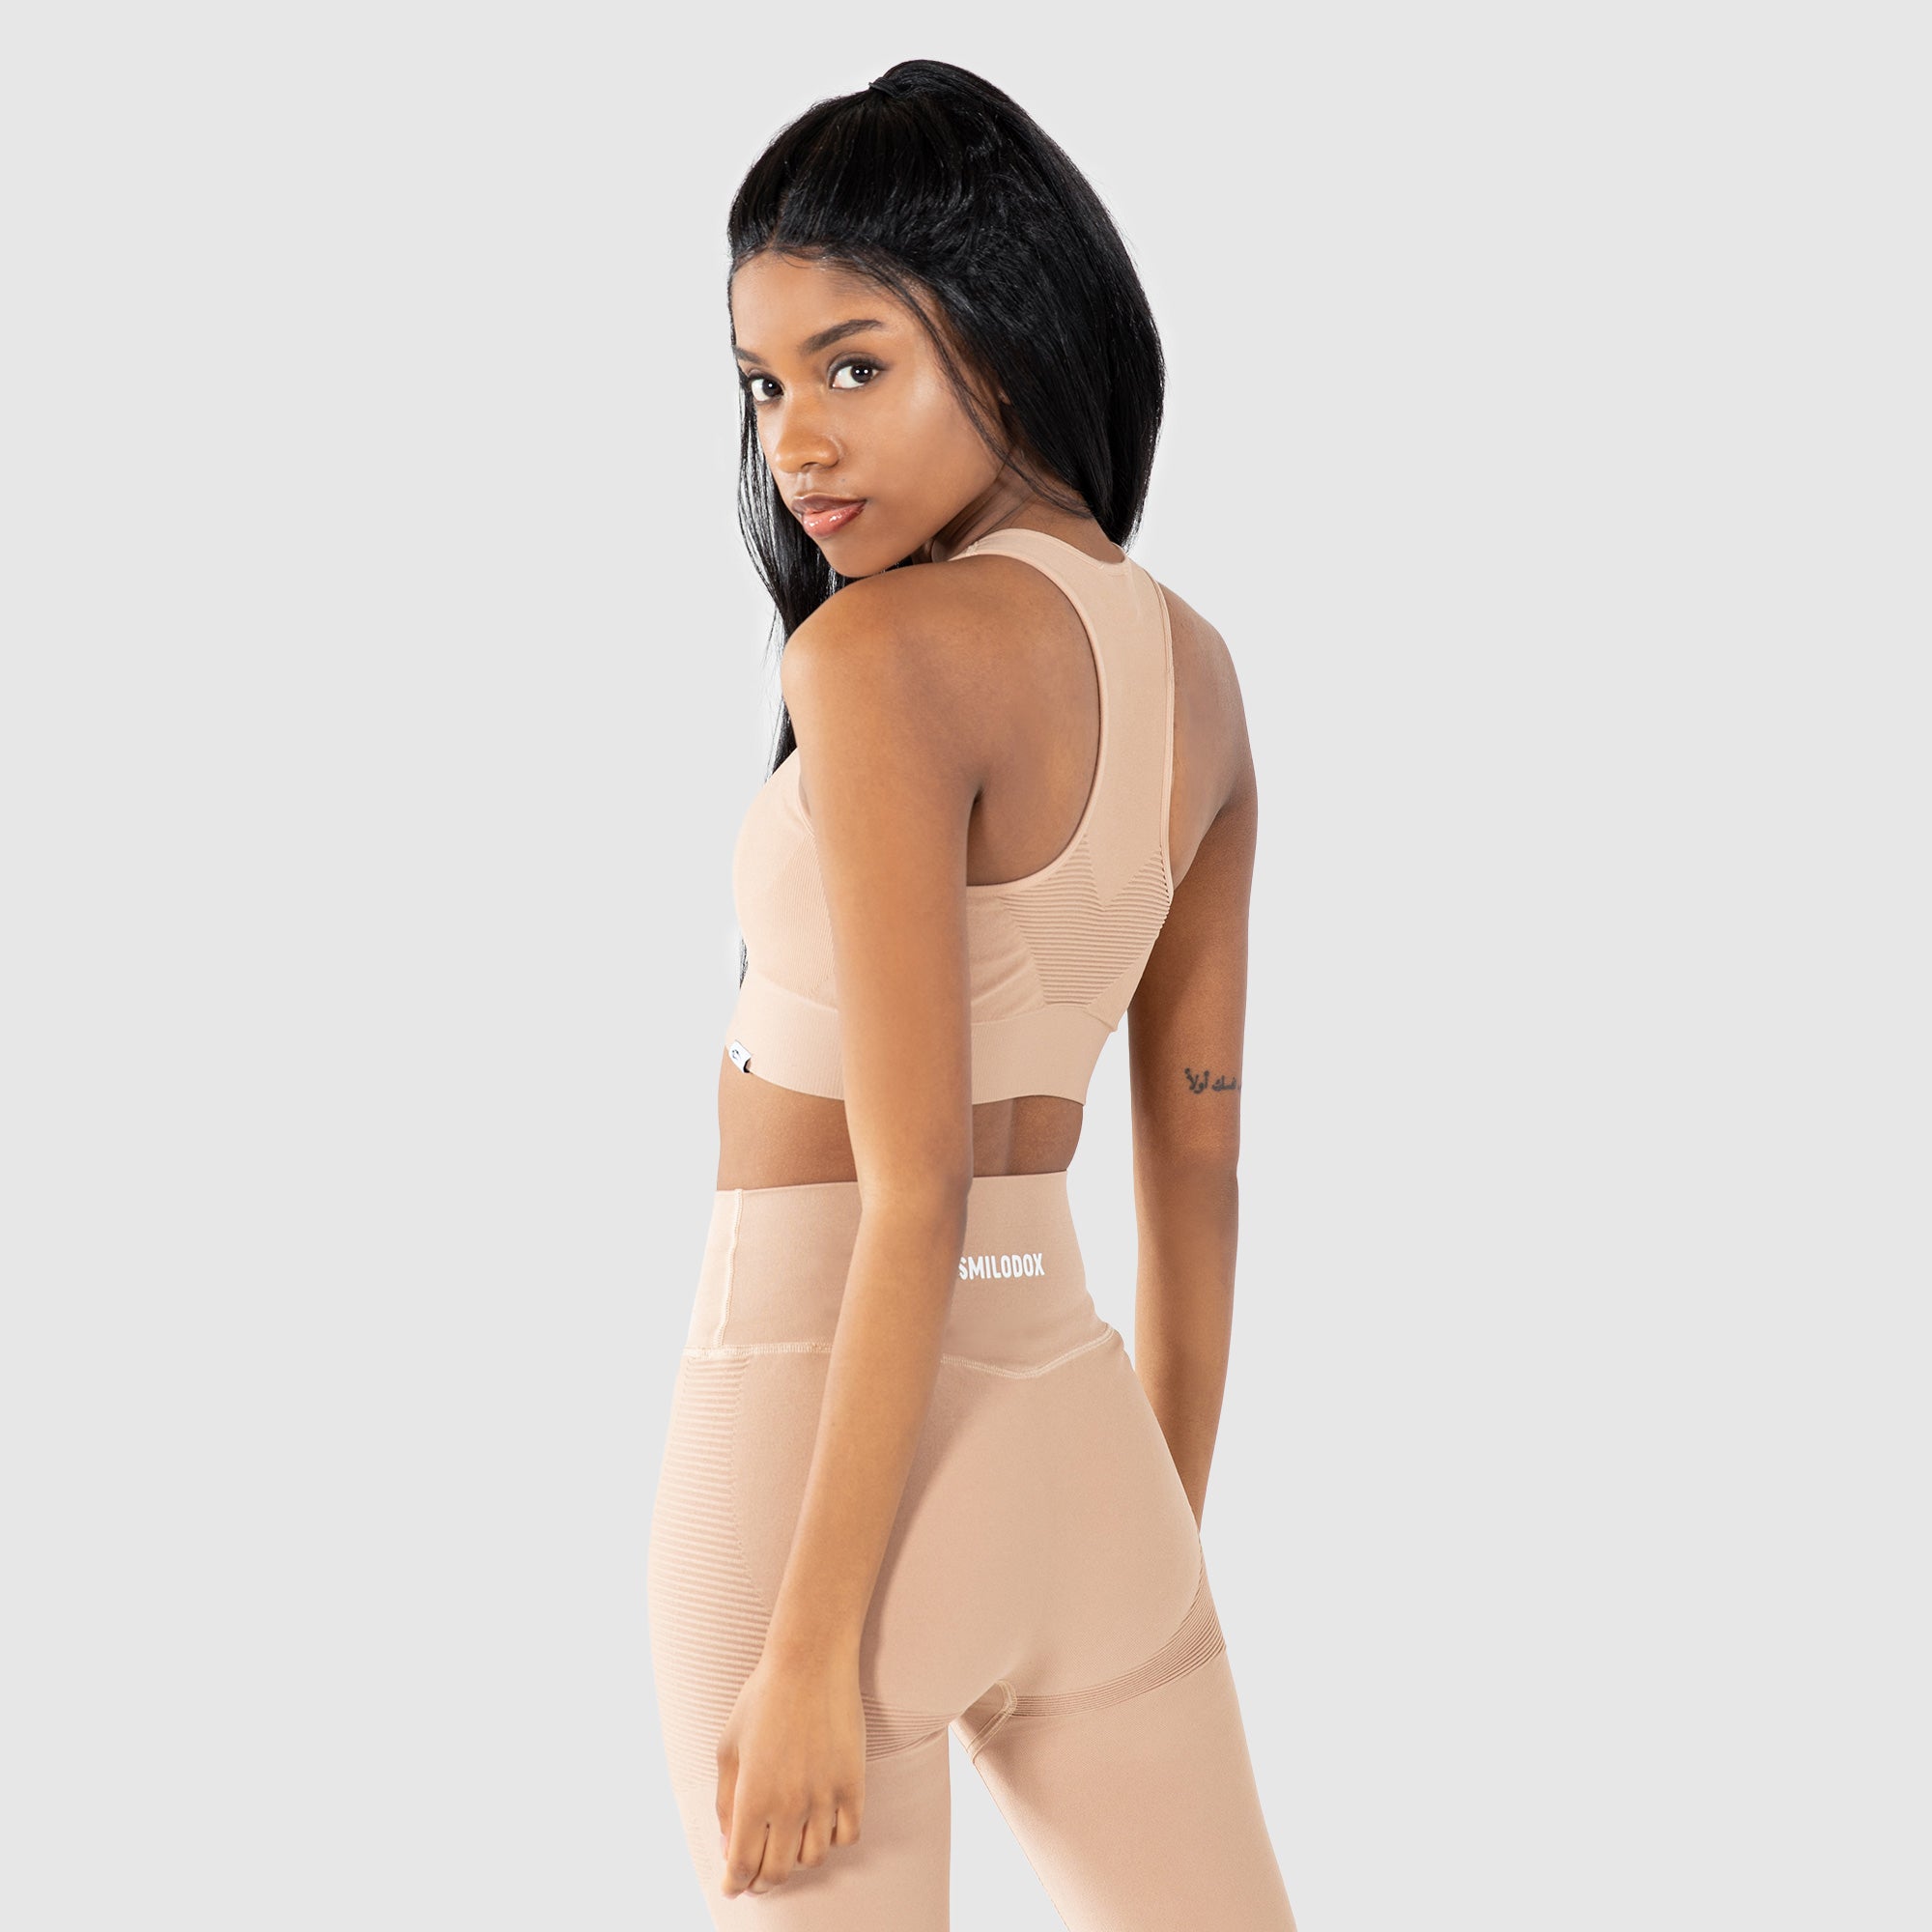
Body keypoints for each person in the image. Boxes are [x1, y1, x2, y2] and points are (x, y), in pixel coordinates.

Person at [647, 58, 1299, 1929]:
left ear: (1007, 339)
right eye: (764, 385)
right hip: (1081, 1435)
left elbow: (917, 1187)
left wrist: (805, 1655)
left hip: (813, 1454)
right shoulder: (1201, 676)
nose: (797, 443)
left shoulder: (885, 658)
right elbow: (1199, 1170)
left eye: (854, 367)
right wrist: (1152, 1543)